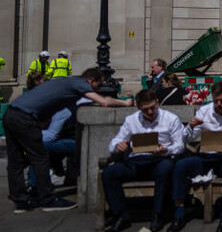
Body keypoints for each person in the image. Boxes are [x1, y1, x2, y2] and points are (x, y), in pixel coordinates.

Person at [5, 67, 133, 212]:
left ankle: (20, 201)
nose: (99, 88)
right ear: (91, 80)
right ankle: (48, 200)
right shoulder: (80, 83)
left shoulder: (68, 82)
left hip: (12, 113)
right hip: (26, 118)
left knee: (16, 161)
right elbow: (104, 102)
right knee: (40, 158)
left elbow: (100, 100)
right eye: (99, 84)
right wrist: (125, 103)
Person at [170, 81, 222, 232]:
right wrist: (190, 127)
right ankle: (179, 213)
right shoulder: (204, 111)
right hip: (205, 157)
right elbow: (186, 139)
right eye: (216, 100)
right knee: (180, 166)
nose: (219, 104)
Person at [102, 89, 185, 232]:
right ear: (139, 107)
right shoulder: (131, 120)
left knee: (165, 169)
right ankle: (121, 215)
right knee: (109, 173)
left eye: (153, 108)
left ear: (157, 103)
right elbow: (114, 142)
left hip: (158, 160)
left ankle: (158, 214)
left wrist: (166, 150)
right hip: (135, 162)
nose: (151, 112)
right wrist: (117, 146)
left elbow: (180, 146)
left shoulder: (171, 119)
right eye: (146, 110)